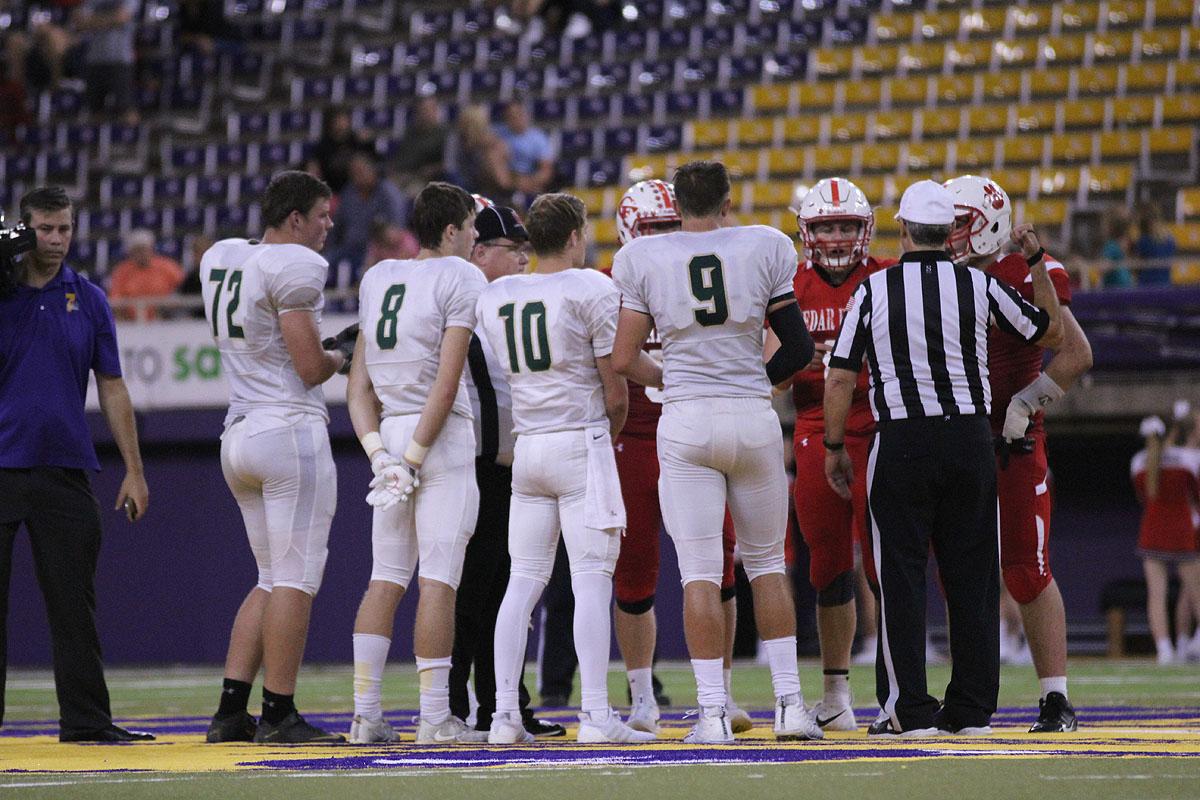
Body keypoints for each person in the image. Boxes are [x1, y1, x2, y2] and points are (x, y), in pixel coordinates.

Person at [825, 179, 1064, 737]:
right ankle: (972, 708)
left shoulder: (873, 290)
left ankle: (909, 710)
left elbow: (839, 378)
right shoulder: (976, 285)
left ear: (904, 231)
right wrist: (1035, 260)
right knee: (972, 575)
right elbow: (1045, 328)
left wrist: (834, 447)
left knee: (900, 576)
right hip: (969, 440)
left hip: (902, 440)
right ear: (947, 232)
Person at [612, 160, 822, 743]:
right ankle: (790, 707)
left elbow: (625, 356)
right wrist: (760, 383)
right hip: (752, 417)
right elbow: (799, 347)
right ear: (729, 200)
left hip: (686, 421)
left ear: (676, 206)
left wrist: (669, 380)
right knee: (767, 566)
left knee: (699, 575)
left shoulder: (641, 258)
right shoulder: (764, 245)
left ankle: (711, 715)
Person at [478, 192, 652, 745]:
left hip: (528, 446)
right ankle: (597, 716)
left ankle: (504, 715)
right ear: (574, 236)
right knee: (592, 582)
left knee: (521, 584)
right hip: (580, 439)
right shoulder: (591, 288)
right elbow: (615, 389)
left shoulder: (500, 292)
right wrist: (606, 438)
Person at [0, 186, 152, 743]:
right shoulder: (2, 290)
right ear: (23, 230)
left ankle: (86, 722)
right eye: (44, 229)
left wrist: (134, 469)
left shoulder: (87, 298)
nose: (57, 239)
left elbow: (112, 386)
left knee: (74, 607)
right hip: (1, 466)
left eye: (64, 228)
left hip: (65, 467)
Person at [202, 171, 349, 745]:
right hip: (286, 427)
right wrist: (344, 351)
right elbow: (312, 367)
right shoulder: (297, 265)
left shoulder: (224, 255)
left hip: (237, 431)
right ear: (295, 220)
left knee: (269, 577)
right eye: (321, 214)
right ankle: (280, 713)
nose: (329, 225)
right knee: (295, 578)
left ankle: (230, 710)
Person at [944, 174, 1093, 732]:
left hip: (1011, 438)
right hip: (957, 437)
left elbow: (1075, 353)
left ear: (988, 224)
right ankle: (967, 696)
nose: (950, 234)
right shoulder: (936, 278)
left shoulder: (1024, 273)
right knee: (959, 569)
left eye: (959, 223)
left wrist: (1027, 403)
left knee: (1027, 570)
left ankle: (1056, 698)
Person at [608, 179, 749, 735]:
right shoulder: (610, 283)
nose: (664, 240)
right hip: (640, 436)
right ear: (628, 234)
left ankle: (724, 689)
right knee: (635, 569)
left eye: (670, 227)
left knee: (719, 563)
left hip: (697, 425)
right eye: (652, 231)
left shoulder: (713, 268)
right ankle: (643, 697)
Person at [345, 181, 483, 744]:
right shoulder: (461, 276)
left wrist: (381, 455)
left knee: (384, 578)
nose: (476, 239)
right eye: (472, 227)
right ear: (450, 230)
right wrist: (413, 458)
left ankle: (365, 715)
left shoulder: (379, 276)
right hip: (436, 437)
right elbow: (446, 386)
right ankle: (433, 718)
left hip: (391, 431)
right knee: (438, 582)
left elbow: (357, 386)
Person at [767, 177, 895, 732]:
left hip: (882, 425)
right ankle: (837, 694)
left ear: (863, 230)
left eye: (846, 226)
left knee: (893, 563)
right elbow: (770, 374)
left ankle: (900, 690)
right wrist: (806, 358)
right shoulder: (789, 286)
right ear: (807, 232)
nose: (838, 236)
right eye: (826, 226)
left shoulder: (889, 277)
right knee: (828, 566)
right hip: (816, 428)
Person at [448, 198, 565, 739]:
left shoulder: (507, 301)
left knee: (505, 592)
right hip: (467, 465)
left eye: (526, 248)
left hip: (508, 466)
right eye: (512, 249)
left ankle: (504, 705)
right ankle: (450, 706)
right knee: (470, 593)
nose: (523, 258)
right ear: (477, 250)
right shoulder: (459, 299)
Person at [1131, 407, 1200, 664]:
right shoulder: (1188, 459)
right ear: (1174, 431)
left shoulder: (1139, 461)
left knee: (1156, 594)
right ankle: (1187, 643)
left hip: (1152, 530)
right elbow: (1196, 496)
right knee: (1195, 591)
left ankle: (1165, 650)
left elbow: (1141, 496)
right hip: (1182, 530)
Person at [327, 153, 409, 279]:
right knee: (324, 262)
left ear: (373, 170)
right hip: (349, 247)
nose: (358, 177)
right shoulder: (348, 193)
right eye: (354, 173)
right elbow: (336, 225)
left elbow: (397, 229)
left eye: (361, 171)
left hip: (376, 250)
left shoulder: (388, 193)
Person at [73, 0, 139, 123]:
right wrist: (110, 20)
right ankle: (97, 142)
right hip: (94, 60)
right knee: (94, 110)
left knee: (125, 108)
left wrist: (91, 21)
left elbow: (122, 17)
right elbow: (78, 21)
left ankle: (133, 140)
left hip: (120, 60)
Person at [108, 229, 186, 321]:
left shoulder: (168, 267)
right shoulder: (122, 271)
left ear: (151, 249)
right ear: (131, 252)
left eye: (144, 249)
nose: (141, 254)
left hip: (165, 321)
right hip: (132, 323)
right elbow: (116, 300)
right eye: (137, 250)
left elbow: (183, 290)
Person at [494, 101, 555, 196]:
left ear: (526, 115)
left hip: (531, 179)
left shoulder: (538, 138)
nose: (516, 119)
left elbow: (546, 169)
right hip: (507, 179)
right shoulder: (498, 134)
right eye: (511, 116)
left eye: (519, 115)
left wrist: (530, 181)